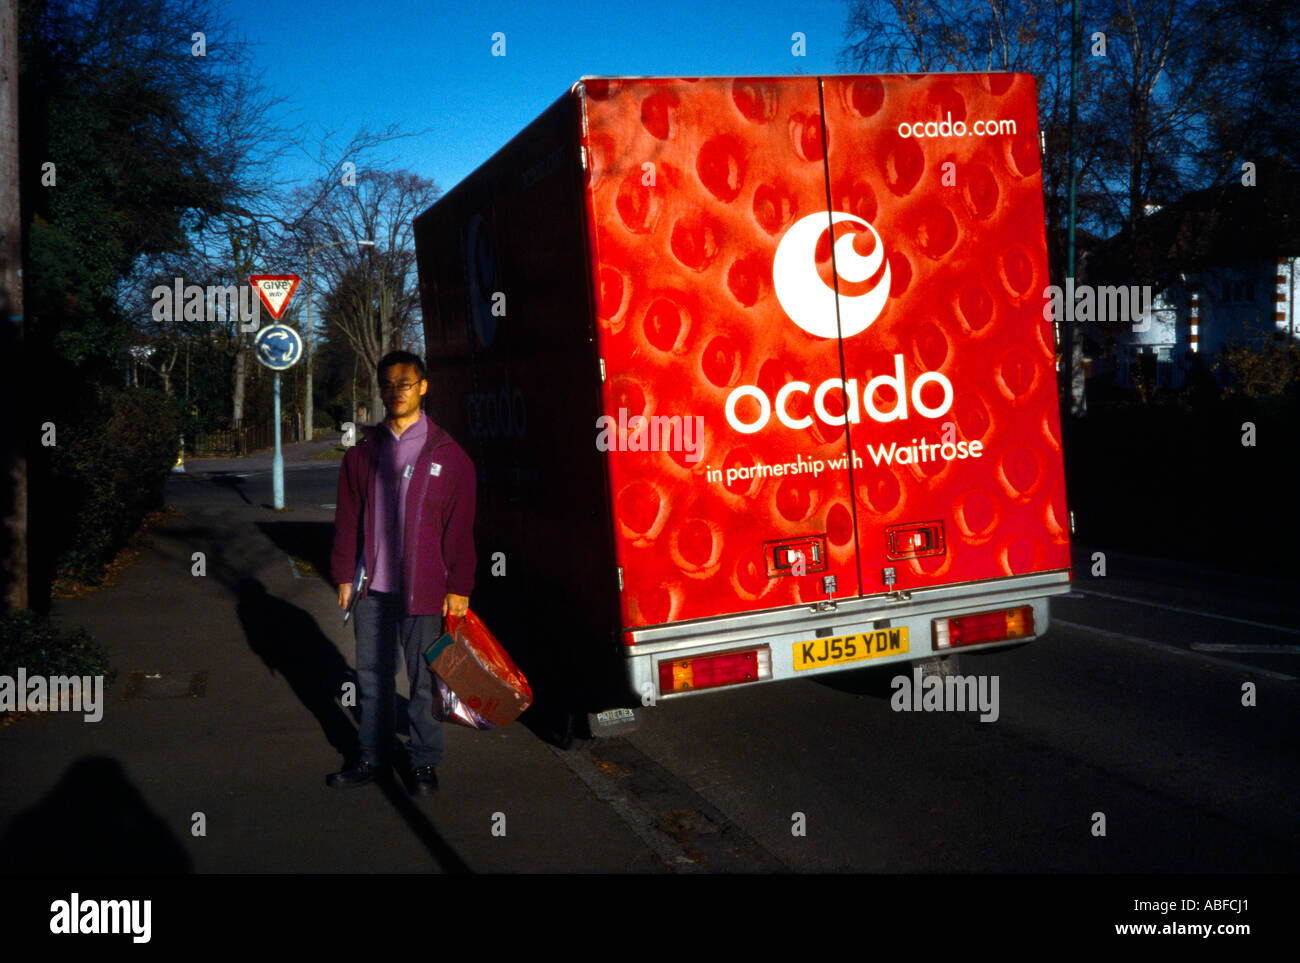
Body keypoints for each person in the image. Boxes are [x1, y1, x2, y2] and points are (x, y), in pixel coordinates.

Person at [327, 350, 476, 795]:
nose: (396, 393)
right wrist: (343, 576)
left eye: (405, 384)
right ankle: (371, 755)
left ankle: (423, 761)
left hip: (425, 591)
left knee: (425, 680)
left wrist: (460, 588)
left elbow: (460, 531)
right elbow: (347, 520)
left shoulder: (450, 457)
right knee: (372, 679)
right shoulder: (363, 454)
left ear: (423, 387)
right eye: (388, 386)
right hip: (373, 590)